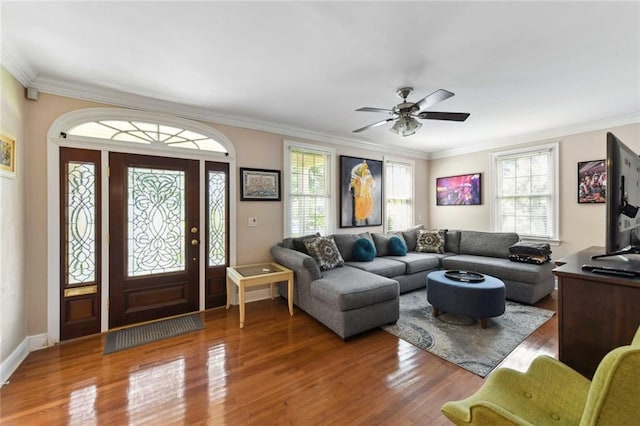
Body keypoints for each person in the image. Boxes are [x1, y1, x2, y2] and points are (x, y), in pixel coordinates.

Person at [350, 161, 376, 225]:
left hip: (367, 200)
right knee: (357, 217)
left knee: (367, 216)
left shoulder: (368, 177)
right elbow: (351, 188)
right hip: (359, 199)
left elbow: (373, 185)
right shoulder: (355, 179)